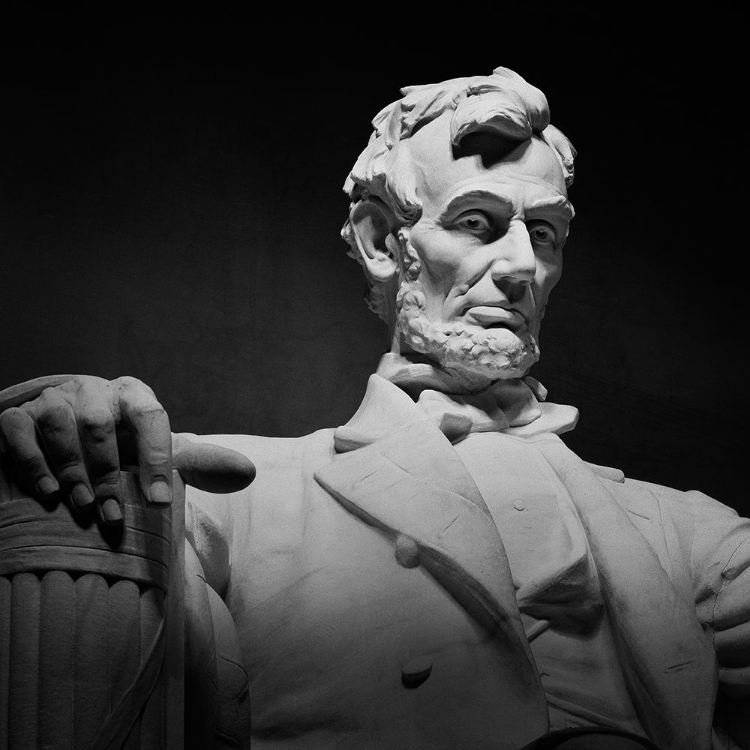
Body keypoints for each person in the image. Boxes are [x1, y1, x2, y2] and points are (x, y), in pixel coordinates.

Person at [0, 66, 747, 750]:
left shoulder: (688, 535)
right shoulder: (234, 494)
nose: (524, 267)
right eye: (478, 223)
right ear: (384, 242)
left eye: (544, 233)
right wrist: (62, 425)